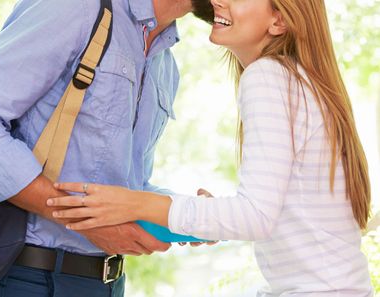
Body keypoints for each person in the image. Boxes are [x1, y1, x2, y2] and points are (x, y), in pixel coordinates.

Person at [49, 0, 374, 296]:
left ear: (278, 20)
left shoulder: (268, 77)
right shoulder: (299, 82)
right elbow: (269, 211)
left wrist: (136, 204)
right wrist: (202, 215)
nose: (218, 0)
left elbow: (254, 217)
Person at [0, 0, 213, 296]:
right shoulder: (75, 8)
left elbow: (125, 185)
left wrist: (187, 214)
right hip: (24, 277)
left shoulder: (165, 65)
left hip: (106, 283)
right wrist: (83, 221)